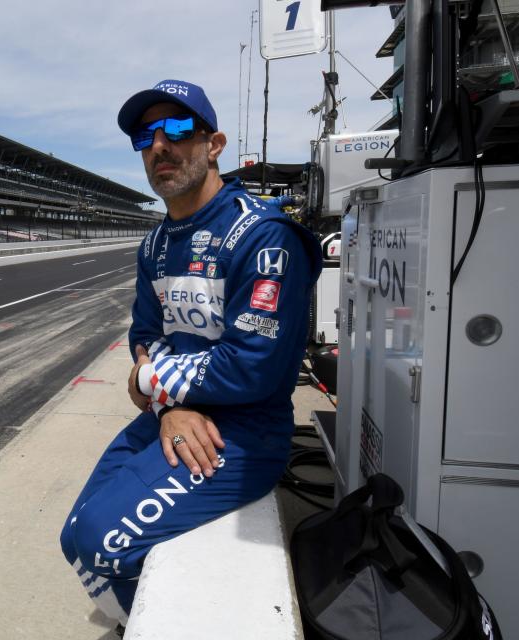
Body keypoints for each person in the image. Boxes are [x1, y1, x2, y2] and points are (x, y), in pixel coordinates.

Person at [59, 79, 323, 626]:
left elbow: (252, 364)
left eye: (177, 129)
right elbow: (144, 336)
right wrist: (169, 404)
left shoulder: (263, 236)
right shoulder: (155, 243)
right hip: (174, 417)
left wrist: (149, 382)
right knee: (73, 536)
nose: (160, 145)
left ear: (214, 144)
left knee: (99, 541)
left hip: (245, 433)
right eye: (144, 136)